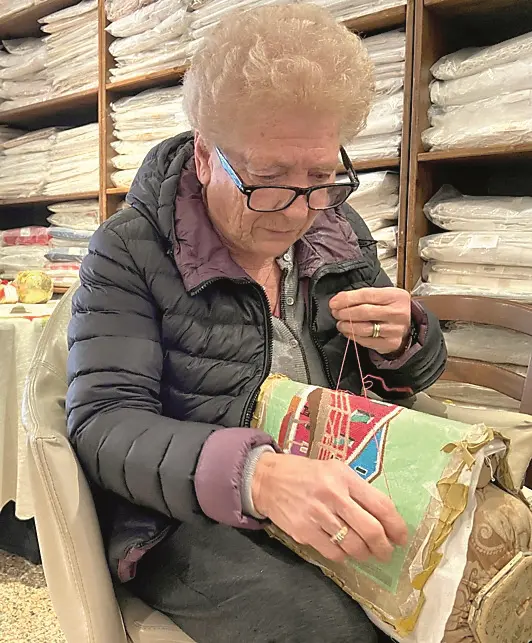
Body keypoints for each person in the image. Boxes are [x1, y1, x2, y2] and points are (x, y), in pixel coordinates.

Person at [66, 4, 446, 642]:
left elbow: (405, 376)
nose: (298, 212)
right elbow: (102, 423)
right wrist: (256, 476)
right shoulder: (129, 249)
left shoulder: (337, 229)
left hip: (346, 465)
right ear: (205, 156)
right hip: (186, 515)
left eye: (321, 177)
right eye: (268, 181)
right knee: (329, 630)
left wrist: (408, 338)